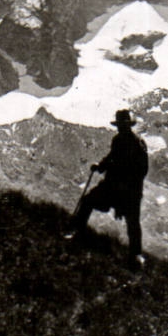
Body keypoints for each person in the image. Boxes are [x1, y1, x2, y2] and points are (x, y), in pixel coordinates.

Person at [68, 109, 149, 267]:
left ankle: (136, 255)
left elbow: (141, 170)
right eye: (120, 125)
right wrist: (100, 166)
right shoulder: (122, 140)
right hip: (120, 188)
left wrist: (106, 169)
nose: (121, 127)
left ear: (128, 125)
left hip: (126, 190)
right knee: (90, 201)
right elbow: (112, 158)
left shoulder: (134, 143)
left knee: (131, 222)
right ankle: (136, 255)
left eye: (122, 125)